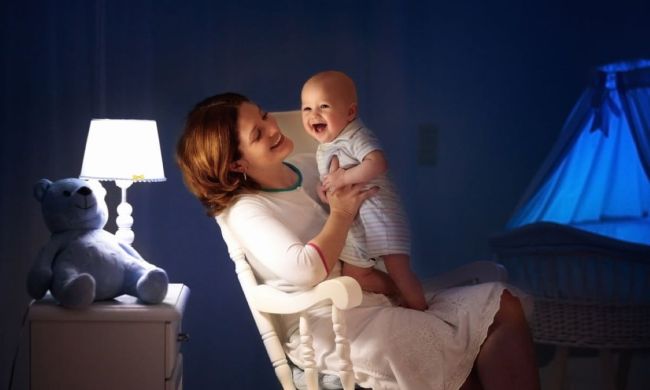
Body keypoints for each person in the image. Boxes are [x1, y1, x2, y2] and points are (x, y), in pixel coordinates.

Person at [176, 92, 540, 390]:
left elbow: (376, 200)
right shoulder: (246, 209)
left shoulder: (309, 162)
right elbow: (305, 271)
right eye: (258, 133)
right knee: (431, 347)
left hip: (375, 291)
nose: (272, 128)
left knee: (502, 303)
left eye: (265, 116)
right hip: (328, 319)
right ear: (237, 164)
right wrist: (341, 214)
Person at [301, 70, 427, 310]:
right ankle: (399, 295)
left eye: (324, 106)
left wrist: (344, 177)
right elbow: (333, 178)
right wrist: (325, 187)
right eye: (307, 108)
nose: (313, 114)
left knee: (399, 269)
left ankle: (422, 311)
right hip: (355, 224)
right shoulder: (324, 146)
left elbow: (377, 163)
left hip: (381, 217)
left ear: (350, 112)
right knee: (356, 275)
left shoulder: (355, 135)